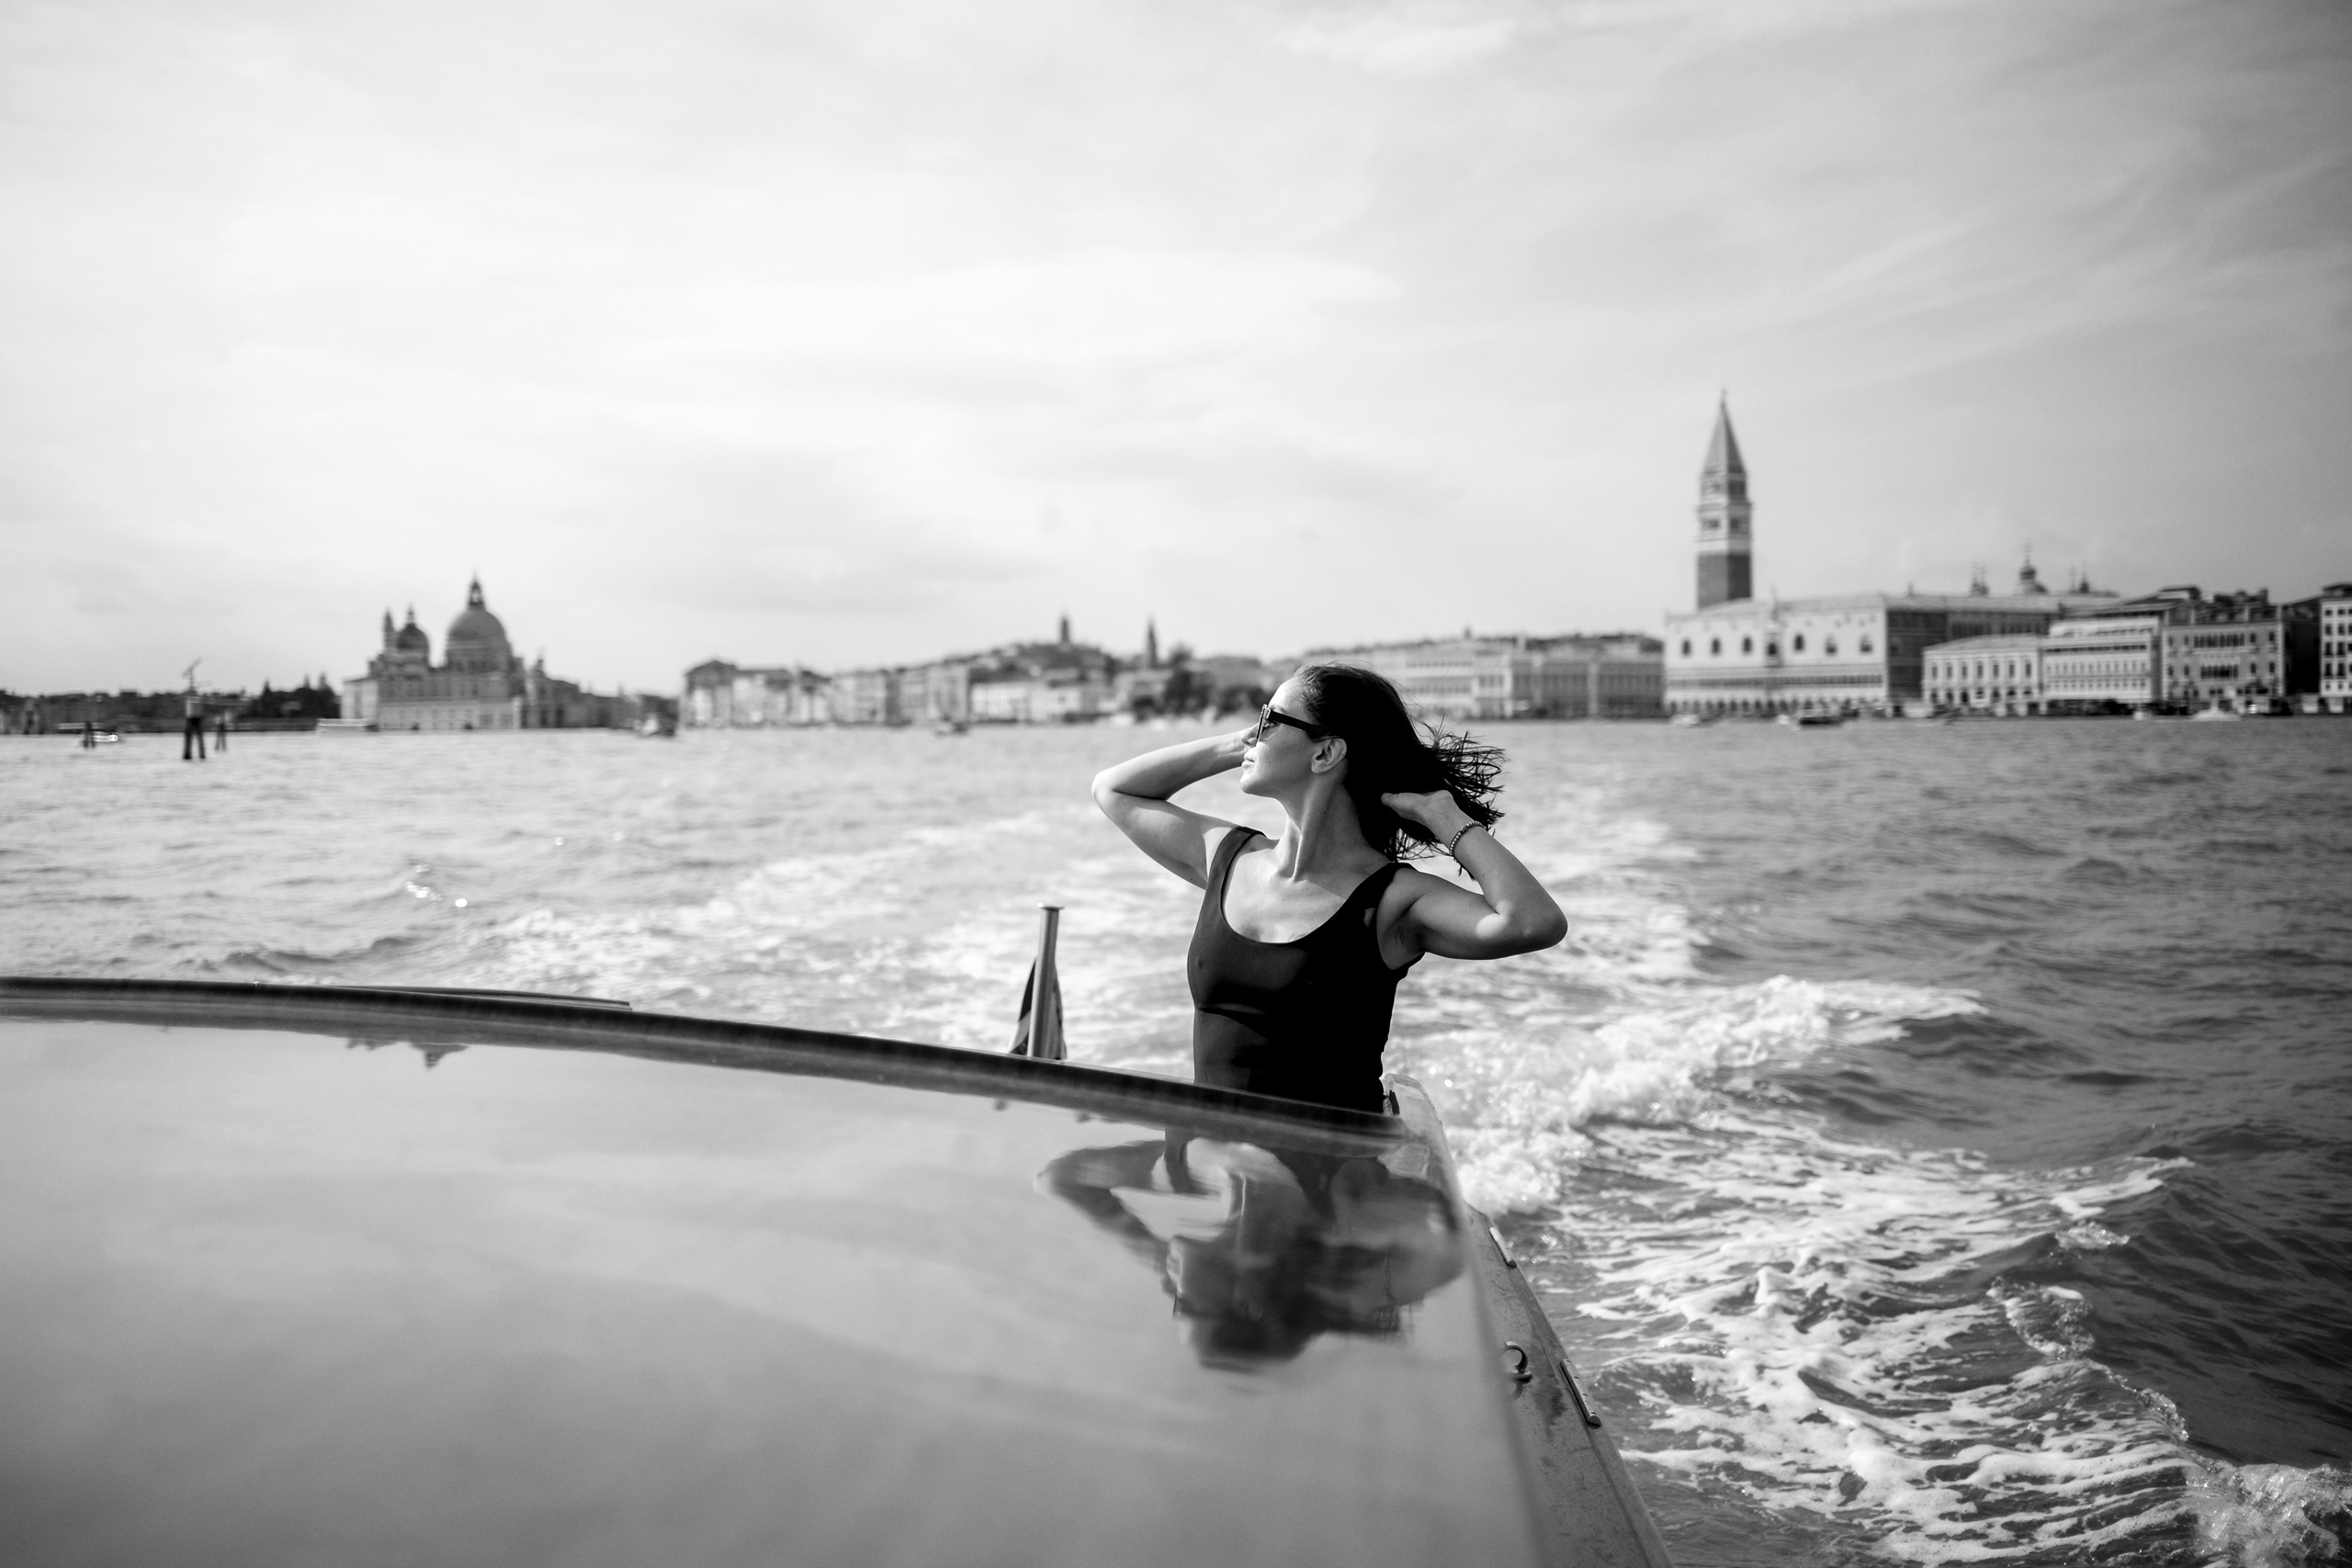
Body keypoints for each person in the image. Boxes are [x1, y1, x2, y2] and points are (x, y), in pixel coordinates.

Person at [1091, 663, 1568, 1114]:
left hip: (1329, 1181)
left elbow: (1533, 922)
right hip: (1219, 1168)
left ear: (1325, 753)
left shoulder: (1394, 900)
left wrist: (1444, 817)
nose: (1255, 731)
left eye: (1268, 720)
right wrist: (1244, 742)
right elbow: (1113, 790)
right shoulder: (1230, 858)